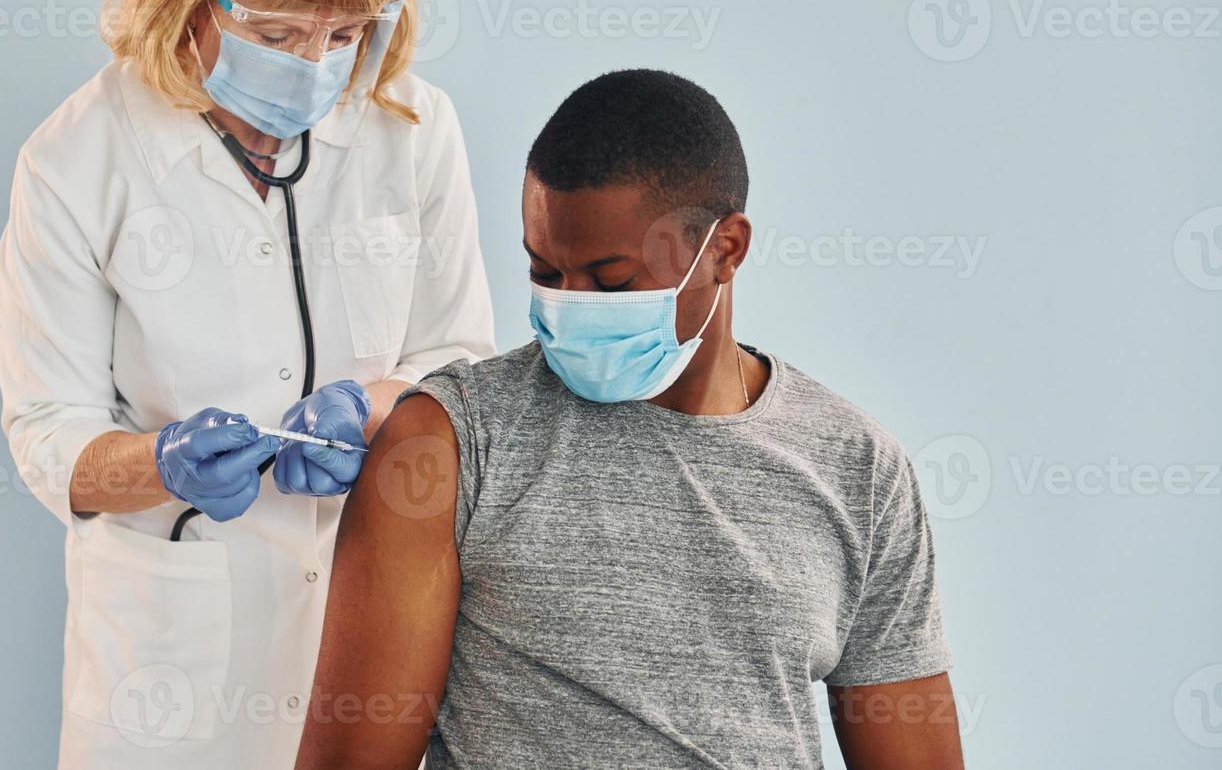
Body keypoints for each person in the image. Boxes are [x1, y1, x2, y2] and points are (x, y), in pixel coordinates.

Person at [0, 0, 494, 770]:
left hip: (375, 622)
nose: (314, 64)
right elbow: (45, 432)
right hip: (165, 669)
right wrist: (162, 464)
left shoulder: (415, 131)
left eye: (345, 34)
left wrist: (378, 408)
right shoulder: (77, 160)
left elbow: (461, 362)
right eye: (275, 32)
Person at [295, 69, 963, 769]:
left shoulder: (855, 467)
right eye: (546, 274)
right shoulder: (450, 442)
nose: (569, 305)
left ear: (726, 249)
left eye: (612, 282)